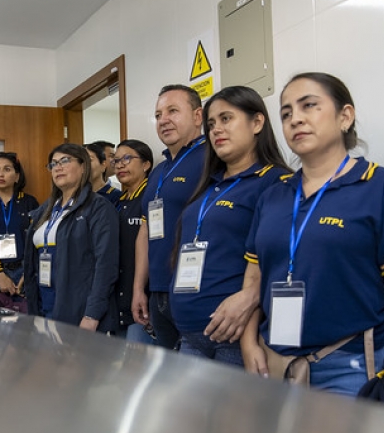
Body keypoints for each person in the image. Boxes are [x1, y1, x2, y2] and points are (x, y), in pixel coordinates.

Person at [241, 72, 384, 396]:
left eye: (309, 106)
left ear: (345, 116)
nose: (296, 119)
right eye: (287, 113)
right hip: (273, 361)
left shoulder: (375, 188)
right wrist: (249, 342)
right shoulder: (274, 196)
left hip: (349, 365)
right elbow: (254, 277)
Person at [170, 86, 291, 365]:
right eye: (211, 124)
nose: (216, 130)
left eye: (226, 119)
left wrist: (250, 297)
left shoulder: (276, 181)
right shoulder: (209, 185)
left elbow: (285, 259)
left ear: (257, 122)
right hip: (189, 332)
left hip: (235, 337)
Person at [131, 85, 206, 349]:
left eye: (173, 111)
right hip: (158, 293)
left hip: (196, 291)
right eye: (159, 114)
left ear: (198, 116)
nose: (164, 120)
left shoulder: (212, 158)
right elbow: (145, 231)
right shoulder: (158, 171)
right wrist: (140, 287)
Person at [24, 143, 119, 332]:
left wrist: (92, 314)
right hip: (44, 305)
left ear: (83, 166)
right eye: (53, 164)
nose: (58, 167)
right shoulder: (44, 210)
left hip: (79, 311)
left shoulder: (98, 207)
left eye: (65, 161)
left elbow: (106, 265)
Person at [0, 152, 39, 309]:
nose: (1, 174)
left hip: (25, 271)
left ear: (17, 176)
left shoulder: (30, 203)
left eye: (7, 169)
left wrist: (29, 273)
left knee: (26, 327)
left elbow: (37, 241)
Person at [113, 139, 154, 344]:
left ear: (146, 164)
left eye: (127, 158)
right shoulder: (118, 202)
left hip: (144, 301)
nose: (120, 165)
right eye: (116, 160)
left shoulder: (151, 197)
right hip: (120, 302)